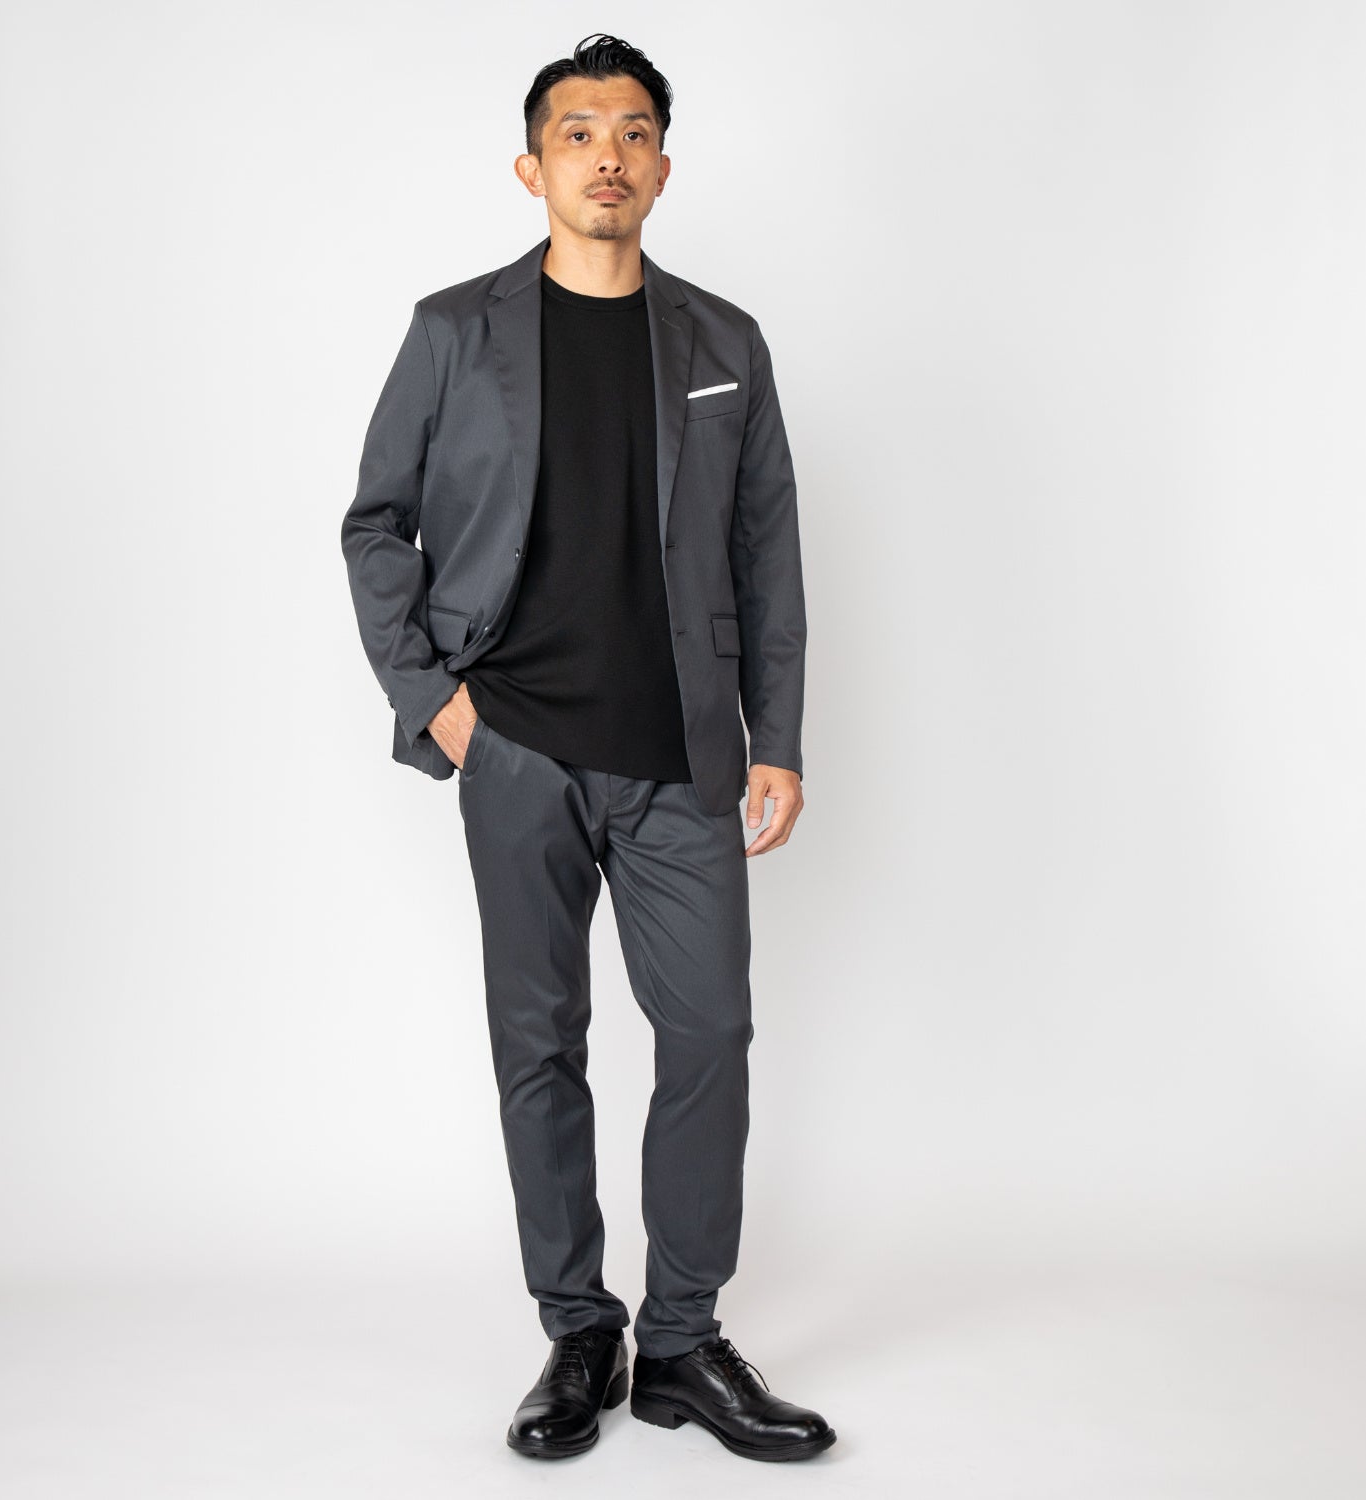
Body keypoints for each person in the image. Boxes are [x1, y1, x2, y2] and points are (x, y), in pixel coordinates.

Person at [340, 33, 833, 1463]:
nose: (605, 154)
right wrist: (437, 701)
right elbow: (375, 523)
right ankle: (577, 1330)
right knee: (538, 1046)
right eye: (577, 132)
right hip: (519, 751)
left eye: (631, 133)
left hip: (683, 756)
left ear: (663, 169)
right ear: (533, 166)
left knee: (711, 1034)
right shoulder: (454, 330)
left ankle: (681, 1342)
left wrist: (778, 738)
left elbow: (769, 553)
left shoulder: (725, 343)